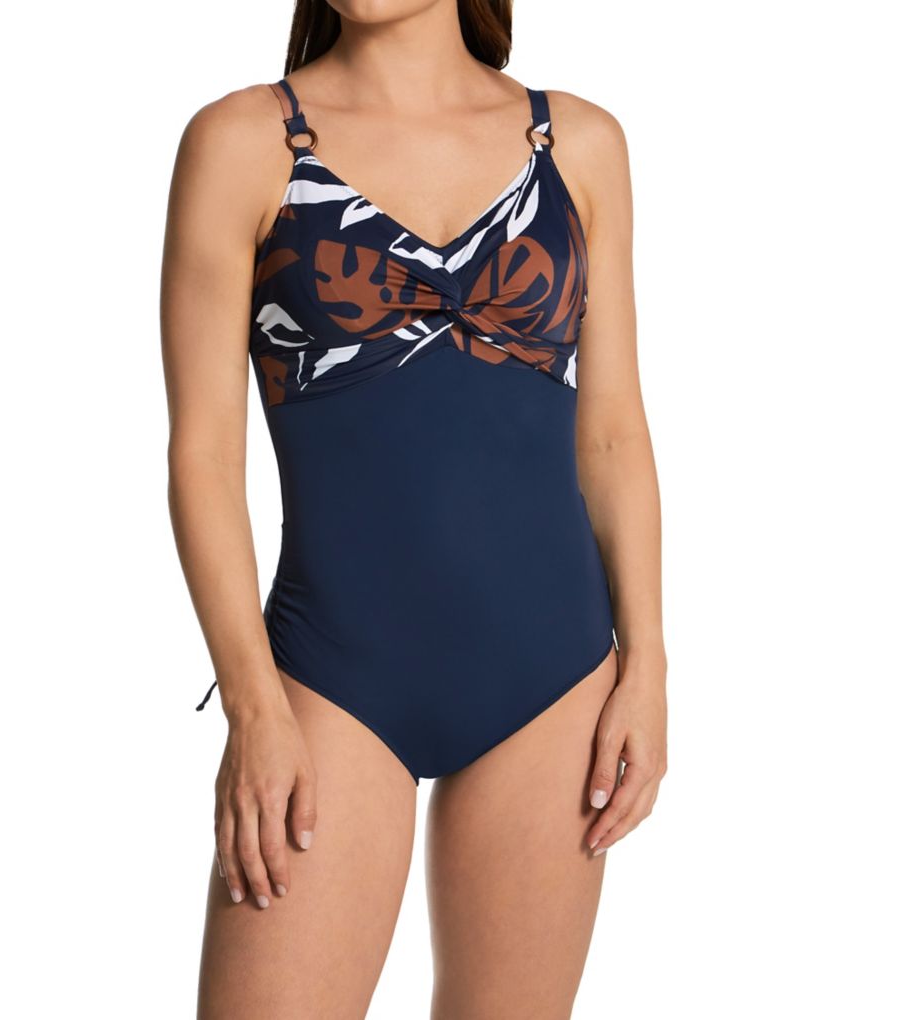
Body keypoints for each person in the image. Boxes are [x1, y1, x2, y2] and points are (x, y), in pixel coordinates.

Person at [161, 1, 667, 1015]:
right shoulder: (246, 141)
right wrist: (254, 707)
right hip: (330, 680)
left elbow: (612, 432)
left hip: (552, 679)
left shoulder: (577, 144)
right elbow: (203, 458)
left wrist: (646, 666)